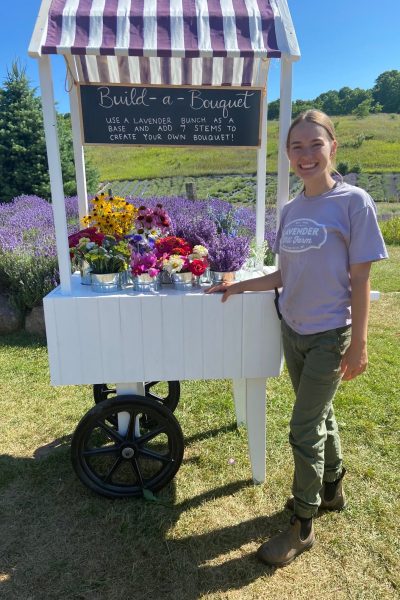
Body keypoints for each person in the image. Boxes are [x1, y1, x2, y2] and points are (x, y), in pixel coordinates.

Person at [205, 109, 388, 567]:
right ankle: (332, 487)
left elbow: (360, 279)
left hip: (330, 335)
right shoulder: (291, 209)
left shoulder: (354, 202)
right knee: (319, 414)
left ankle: (303, 525)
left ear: (333, 147)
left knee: (303, 428)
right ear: (288, 154)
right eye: (296, 147)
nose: (306, 155)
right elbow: (285, 273)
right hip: (293, 330)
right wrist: (238, 284)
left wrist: (359, 343)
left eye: (315, 144)